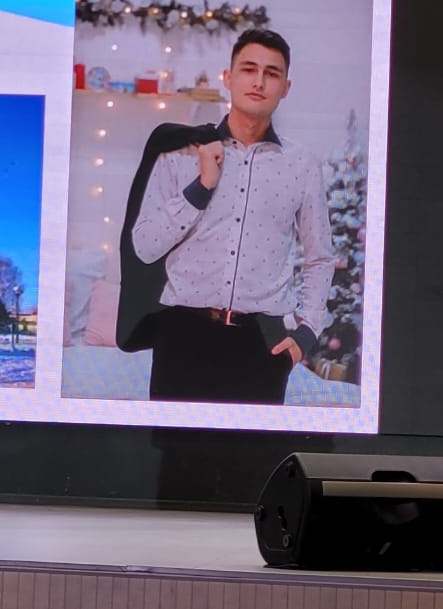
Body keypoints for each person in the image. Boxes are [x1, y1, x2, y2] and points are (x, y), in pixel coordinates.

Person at [127, 28, 334, 403]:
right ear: (228, 77)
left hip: (262, 346)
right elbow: (144, 246)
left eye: (271, 73)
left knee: (251, 446)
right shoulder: (180, 153)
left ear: (286, 87)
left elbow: (320, 257)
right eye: (248, 69)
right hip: (181, 338)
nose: (259, 82)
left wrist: (307, 334)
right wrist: (201, 186)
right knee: (174, 444)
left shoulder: (302, 165)